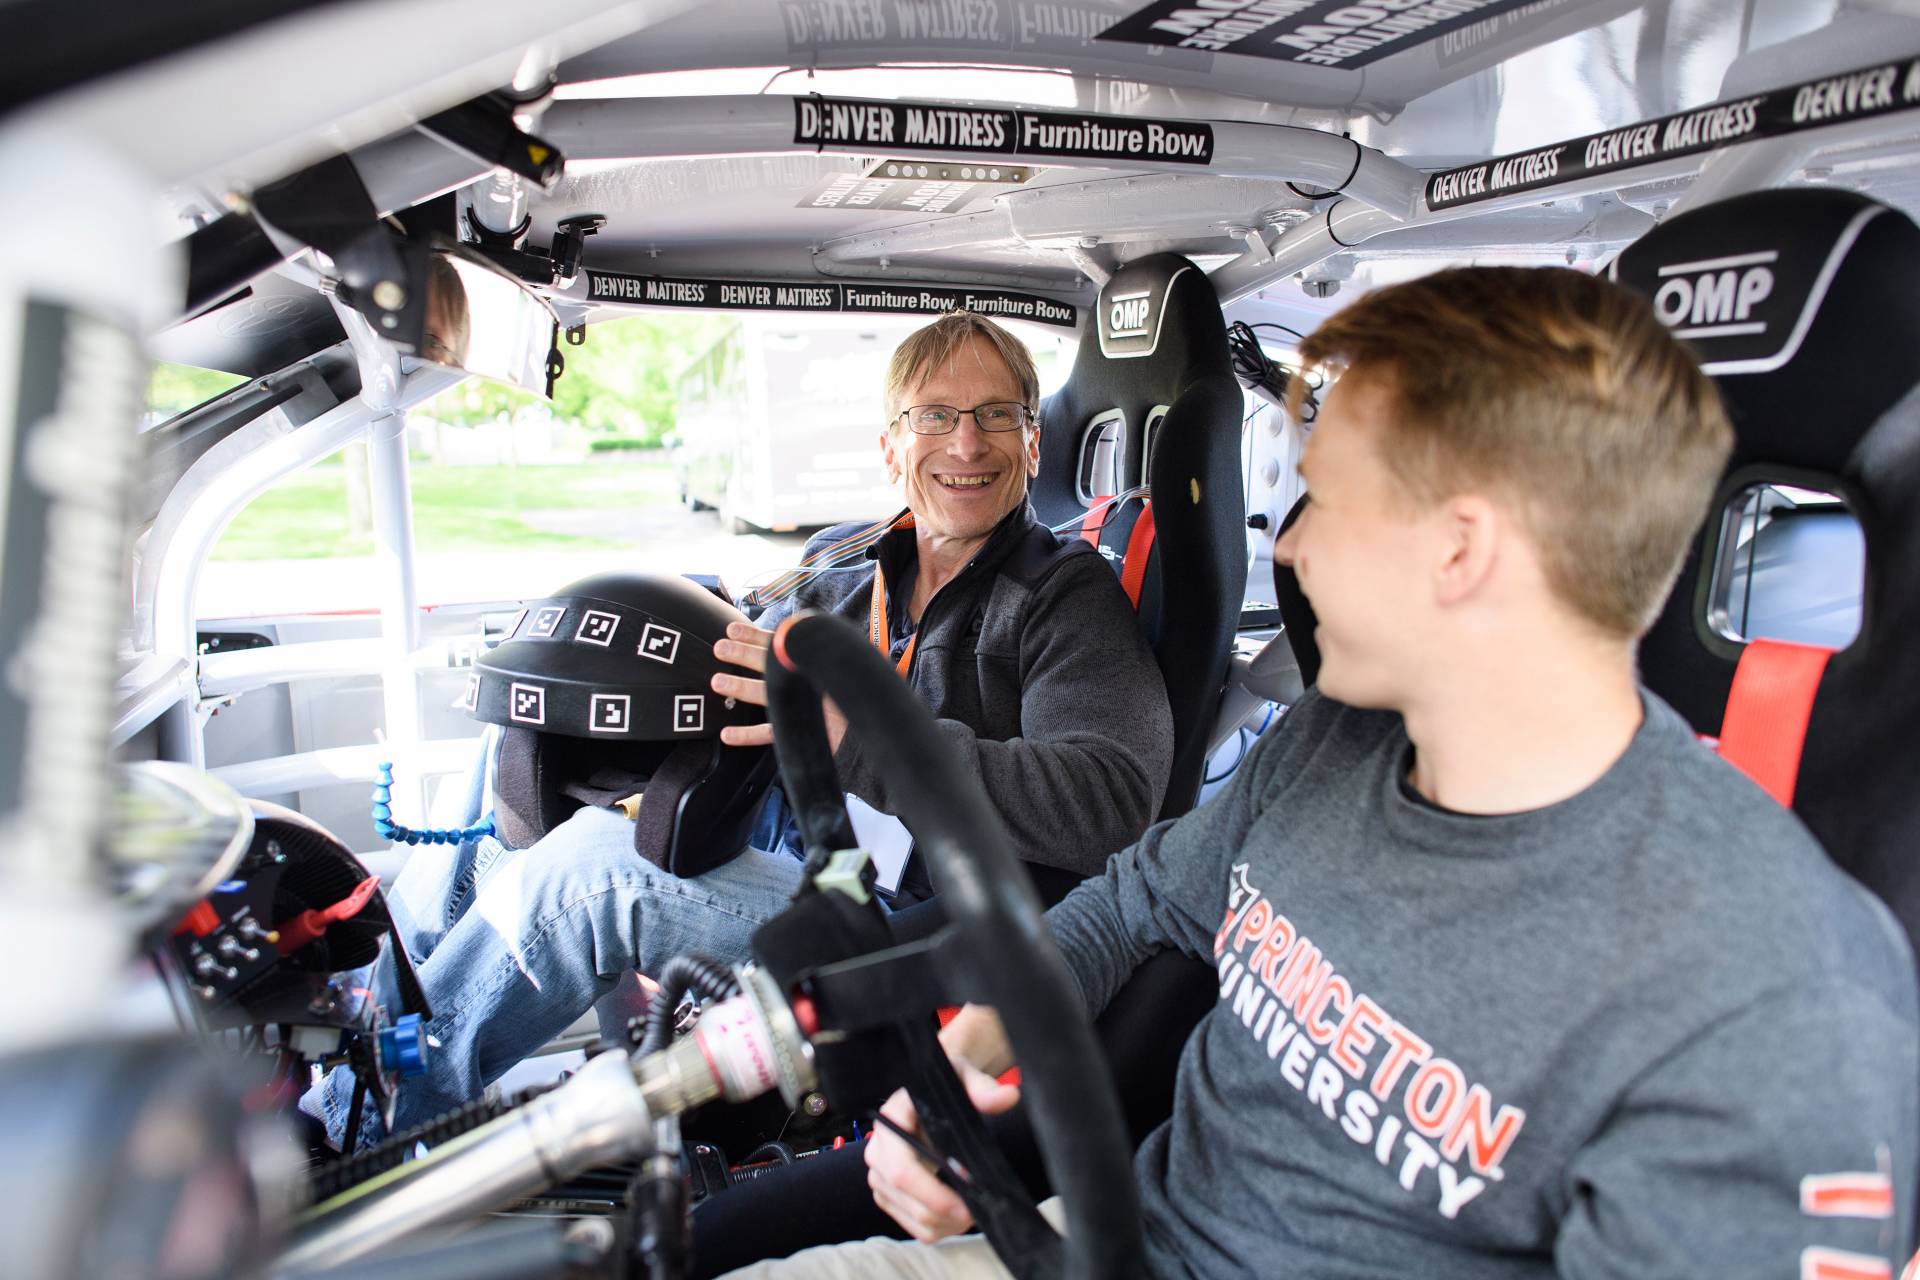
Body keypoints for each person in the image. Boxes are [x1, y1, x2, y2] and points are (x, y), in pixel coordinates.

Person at [728, 266, 1920, 1278]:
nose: (1284, 545)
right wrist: (963, 1063)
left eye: (1323, 500)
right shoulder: (1333, 742)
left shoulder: (1778, 1004)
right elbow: (1131, 899)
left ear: (1461, 548)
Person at [308, 310, 1173, 1144]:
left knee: (592, 877)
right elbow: (735, 652)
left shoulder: (1065, 596)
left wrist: (853, 736)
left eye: (996, 417)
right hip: (794, 840)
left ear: (1032, 441)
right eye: (934, 416)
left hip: (909, 916)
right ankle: (360, 1057)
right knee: (510, 758)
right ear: (890, 446)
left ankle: (362, 1139)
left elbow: (1107, 801)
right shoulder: (845, 558)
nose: (966, 443)